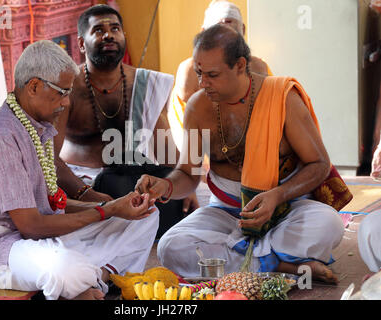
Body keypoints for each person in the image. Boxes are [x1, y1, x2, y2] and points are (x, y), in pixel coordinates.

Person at [135, 25, 345, 283]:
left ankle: (246, 261)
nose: (203, 83)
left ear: (240, 65)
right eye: (199, 73)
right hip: (227, 212)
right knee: (170, 247)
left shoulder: (282, 98)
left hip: (285, 209)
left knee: (329, 224)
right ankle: (278, 263)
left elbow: (319, 164)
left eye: (212, 75)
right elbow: (189, 174)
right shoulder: (198, 108)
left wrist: (277, 195)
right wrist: (165, 186)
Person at [0, 40, 159, 300]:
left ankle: (95, 280)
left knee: (146, 216)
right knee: (65, 268)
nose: (66, 101)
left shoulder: (36, 127)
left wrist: (116, 207)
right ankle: (88, 281)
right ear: (34, 86)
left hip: (39, 242)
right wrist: (105, 211)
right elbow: (31, 225)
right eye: (62, 92)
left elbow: (50, 204)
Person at [54, 4, 198, 237]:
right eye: (99, 30)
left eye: (115, 28)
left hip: (131, 177)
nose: (109, 35)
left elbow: (165, 147)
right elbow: (49, 158)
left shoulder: (144, 82)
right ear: (81, 43)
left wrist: (182, 185)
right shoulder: (68, 88)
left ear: (123, 36)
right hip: (80, 181)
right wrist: (87, 195)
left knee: (167, 197)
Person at [168, 0, 271, 152]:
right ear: (204, 33)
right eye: (219, 33)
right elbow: (190, 131)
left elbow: (266, 120)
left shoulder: (258, 67)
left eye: (231, 32)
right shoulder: (190, 71)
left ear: (242, 30)